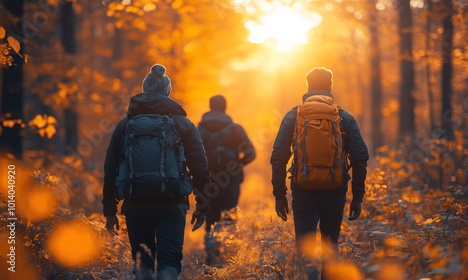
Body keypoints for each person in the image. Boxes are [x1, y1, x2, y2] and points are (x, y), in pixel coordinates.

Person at [102, 64, 210, 280]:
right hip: (172, 202)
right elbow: (200, 166)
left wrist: (109, 210)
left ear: (144, 91)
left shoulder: (125, 126)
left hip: (135, 203)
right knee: (169, 263)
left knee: (143, 263)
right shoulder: (182, 124)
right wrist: (203, 205)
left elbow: (110, 168)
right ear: (167, 92)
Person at [270, 67, 369, 279]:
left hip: (303, 190)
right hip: (335, 189)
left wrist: (279, 194)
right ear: (330, 86)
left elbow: (278, 156)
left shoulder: (293, 115)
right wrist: (357, 196)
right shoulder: (343, 117)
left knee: (305, 246)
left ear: (308, 87)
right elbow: (360, 157)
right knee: (330, 245)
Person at [197, 95, 256, 265]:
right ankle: (229, 255)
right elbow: (251, 153)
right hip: (230, 180)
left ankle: (211, 255)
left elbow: (189, 154)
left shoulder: (198, 130)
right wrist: (238, 164)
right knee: (229, 216)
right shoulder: (235, 129)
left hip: (207, 180)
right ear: (225, 107)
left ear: (210, 107)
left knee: (210, 216)